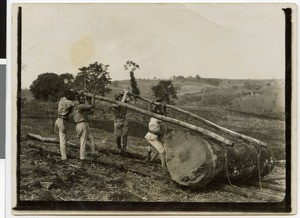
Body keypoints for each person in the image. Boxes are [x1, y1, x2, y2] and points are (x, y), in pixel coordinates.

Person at [144, 97, 168, 174]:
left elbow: (162, 115)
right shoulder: (156, 117)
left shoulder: (155, 116)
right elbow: (164, 116)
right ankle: (163, 169)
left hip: (153, 136)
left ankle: (151, 160)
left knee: (161, 149)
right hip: (151, 137)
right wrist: (150, 104)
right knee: (162, 151)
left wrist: (151, 104)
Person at [73, 92, 96, 160]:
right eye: (82, 99)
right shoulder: (80, 106)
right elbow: (92, 106)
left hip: (84, 124)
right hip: (82, 124)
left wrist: (90, 99)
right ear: (79, 100)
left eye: (84, 99)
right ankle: (82, 158)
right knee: (83, 141)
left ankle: (93, 153)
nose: (83, 101)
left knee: (91, 138)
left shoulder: (82, 107)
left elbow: (90, 110)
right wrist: (93, 96)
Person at [54, 90, 76, 160]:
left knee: (61, 139)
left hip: (58, 120)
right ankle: (64, 158)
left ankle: (62, 154)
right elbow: (76, 104)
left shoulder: (62, 99)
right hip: (62, 121)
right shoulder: (68, 102)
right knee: (63, 140)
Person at [113, 89, 134, 155]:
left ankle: (124, 148)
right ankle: (119, 148)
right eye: (119, 97)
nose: (121, 98)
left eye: (121, 97)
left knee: (125, 134)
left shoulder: (124, 101)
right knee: (118, 136)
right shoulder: (114, 103)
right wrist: (125, 94)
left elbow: (131, 98)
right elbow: (120, 104)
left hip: (124, 119)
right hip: (117, 120)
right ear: (117, 98)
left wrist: (128, 93)